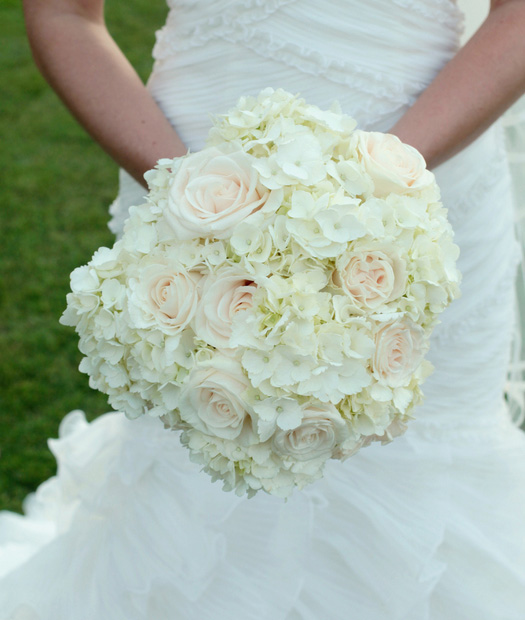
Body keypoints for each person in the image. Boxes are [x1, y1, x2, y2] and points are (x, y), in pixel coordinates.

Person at [1, 0, 525, 618]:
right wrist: (187, 195)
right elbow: (65, 14)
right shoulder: (187, 192)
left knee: (433, 459)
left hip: (431, 174)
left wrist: (375, 189)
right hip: (190, 173)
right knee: (202, 467)